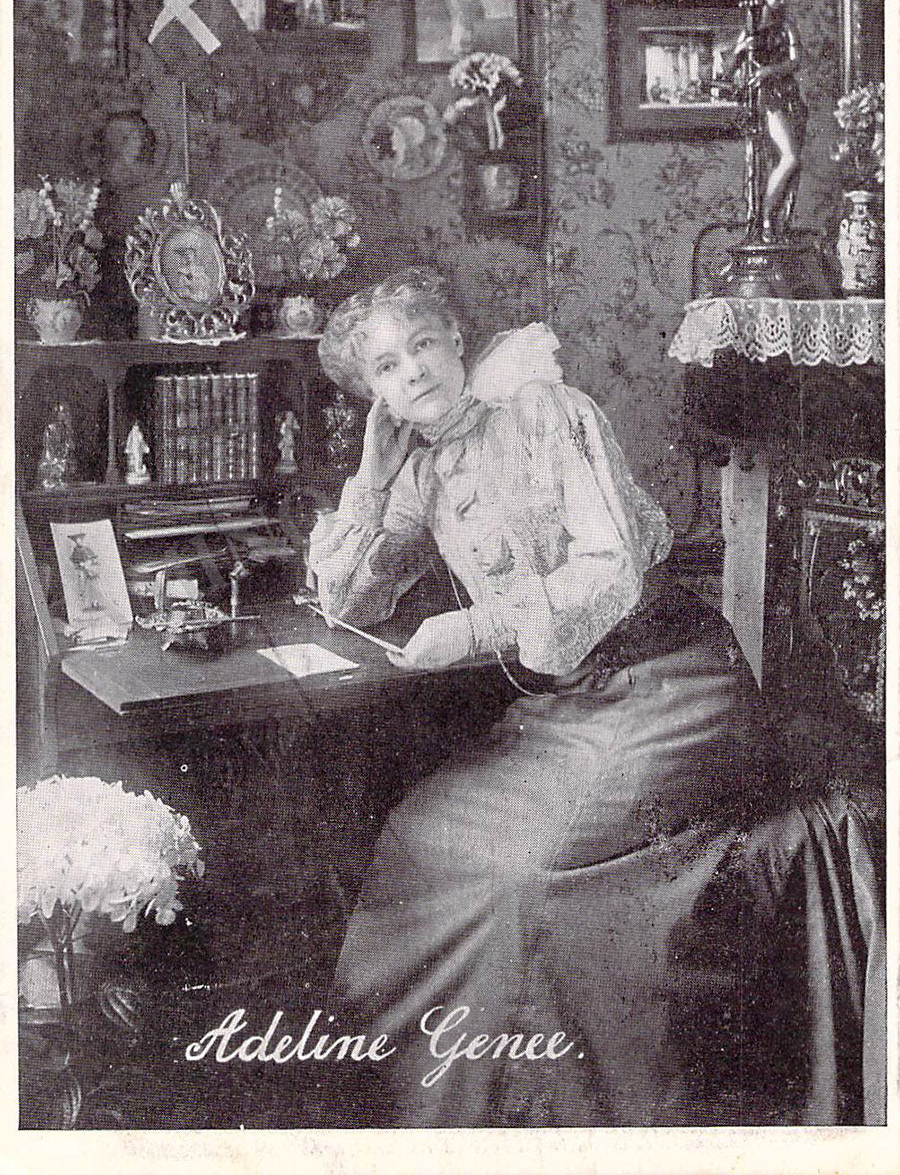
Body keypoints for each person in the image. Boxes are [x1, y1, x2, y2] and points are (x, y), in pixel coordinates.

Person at [307, 270, 883, 1128]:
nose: (414, 371)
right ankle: (430, 1114)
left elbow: (611, 574)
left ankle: (546, 1113)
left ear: (457, 340)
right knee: (419, 834)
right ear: (373, 394)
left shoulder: (546, 411)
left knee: (524, 873)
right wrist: (371, 478)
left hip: (668, 682)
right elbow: (347, 601)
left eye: (423, 345)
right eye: (387, 367)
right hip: (565, 707)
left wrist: (477, 628)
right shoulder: (420, 468)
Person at [720, 0, 808, 241]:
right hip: (768, 99)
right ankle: (767, 220)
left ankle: (777, 222)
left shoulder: (786, 24)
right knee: (788, 158)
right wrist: (740, 50)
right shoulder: (752, 27)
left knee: (790, 162)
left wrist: (770, 70)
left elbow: (796, 61)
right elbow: (728, 70)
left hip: (788, 95)